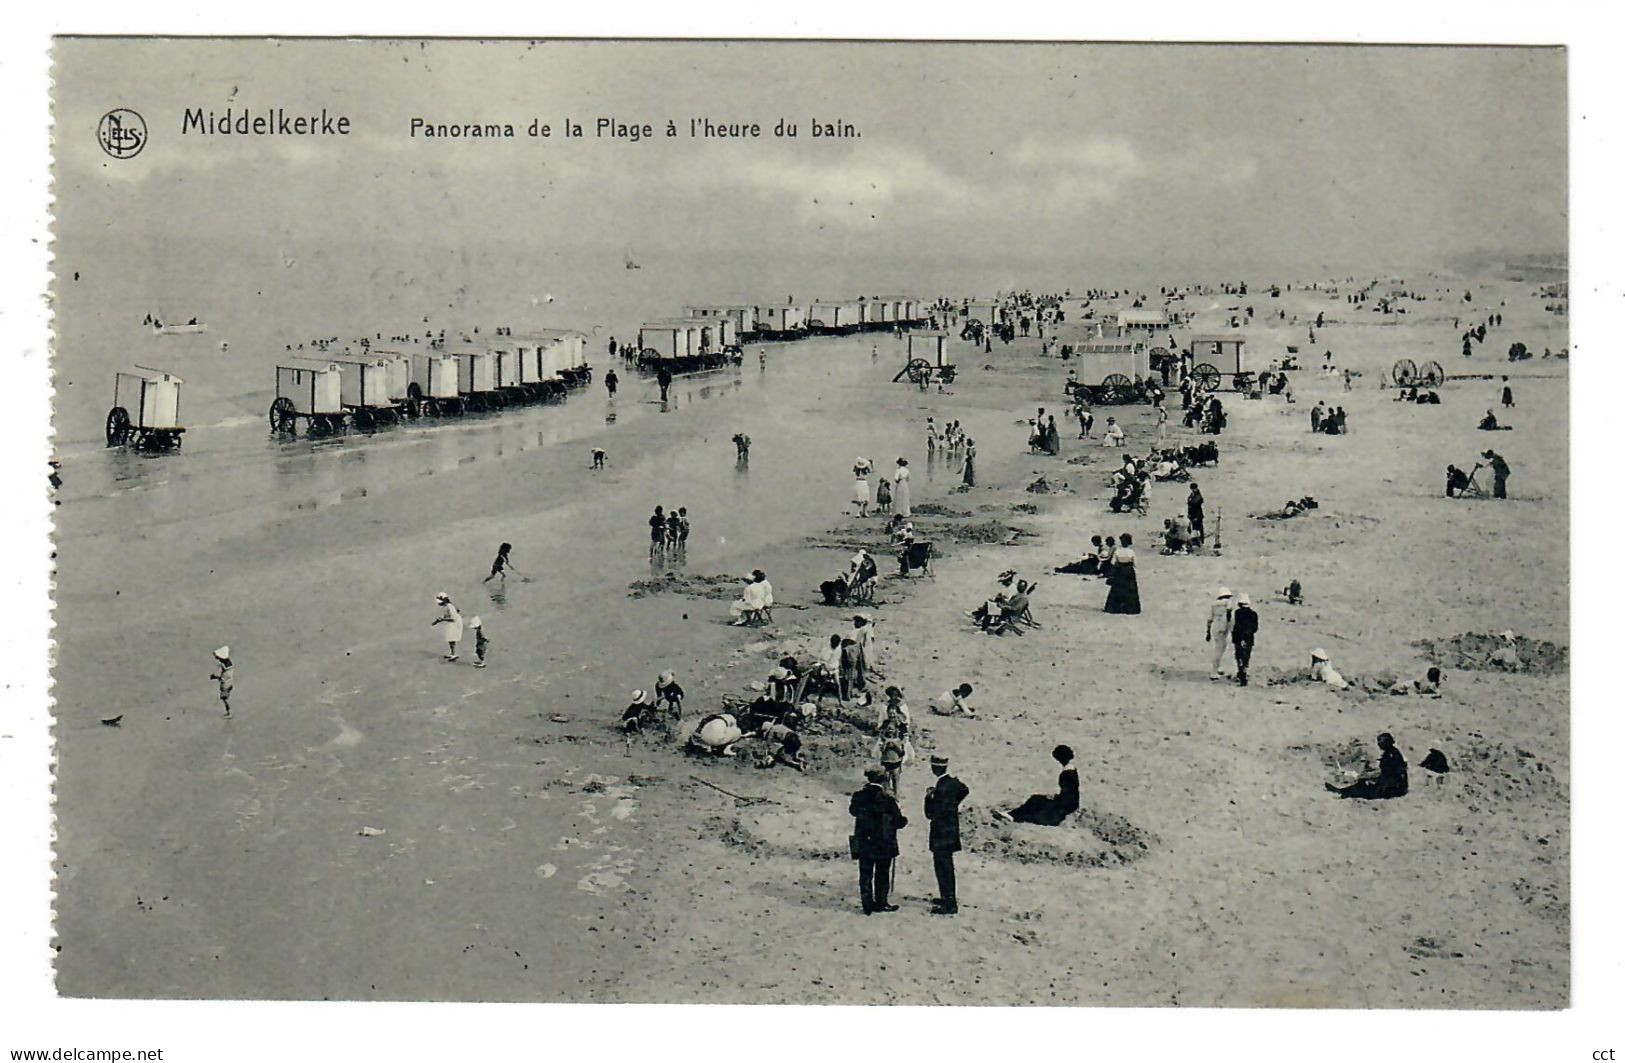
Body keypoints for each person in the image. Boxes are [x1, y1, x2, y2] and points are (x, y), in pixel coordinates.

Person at [849, 767, 908, 914]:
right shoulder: (888, 799)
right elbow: (899, 822)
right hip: (884, 841)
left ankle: (867, 905)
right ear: (884, 779)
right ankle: (881, 902)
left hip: (864, 839)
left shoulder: (859, 796)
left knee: (865, 872)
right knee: (882, 872)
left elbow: (853, 811)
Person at [924, 755, 970, 915]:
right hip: (950, 831)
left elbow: (929, 814)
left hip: (940, 833)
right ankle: (947, 897)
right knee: (947, 866)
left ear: (934, 768)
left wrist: (928, 797)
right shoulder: (952, 783)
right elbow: (965, 790)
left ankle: (949, 902)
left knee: (943, 868)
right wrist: (954, 803)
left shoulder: (939, 790)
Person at [995, 744, 1080, 825]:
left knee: (1036, 801)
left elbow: (1069, 792)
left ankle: (1013, 816)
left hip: (1067, 803)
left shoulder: (1068, 772)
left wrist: (1056, 797)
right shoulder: (1071, 769)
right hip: (1069, 801)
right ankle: (1014, 815)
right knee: (1037, 800)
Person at [1326, 732, 1408, 800]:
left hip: (1392, 788)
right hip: (1395, 785)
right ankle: (1343, 791)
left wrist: (1369, 777)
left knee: (1365, 787)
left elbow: (1386, 773)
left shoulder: (1391, 755)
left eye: (1381, 742)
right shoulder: (1393, 752)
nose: (1379, 744)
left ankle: (1343, 792)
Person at [1103, 532, 1140, 614]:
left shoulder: (1118, 551)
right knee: (1129, 590)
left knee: (1117, 589)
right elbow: (1135, 564)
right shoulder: (1131, 552)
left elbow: (1113, 562)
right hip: (1129, 571)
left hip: (1119, 571)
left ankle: (1116, 608)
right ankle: (1130, 608)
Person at [1230, 593, 1258, 686]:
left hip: (1238, 638)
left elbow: (1237, 626)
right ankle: (1244, 672)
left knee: (1239, 656)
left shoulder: (1238, 613)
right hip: (1249, 638)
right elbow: (1255, 628)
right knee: (1246, 656)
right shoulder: (1254, 614)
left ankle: (1241, 673)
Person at [1207, 587, 1234, 679]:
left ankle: (1217, 668)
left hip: (1215, 626)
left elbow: (1209, 619)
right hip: (1223, 626)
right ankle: (1214, 671)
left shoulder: (1214, 605)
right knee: (1220, 649)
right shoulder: (1227, 603)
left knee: (1218, 647)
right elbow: (1230, 612)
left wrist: (1208, 632)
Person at [431, 593, 463, 661]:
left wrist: (442, 619)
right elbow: (446, 615)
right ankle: (452, 653)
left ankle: (453, 654)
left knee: (452, 638)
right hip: (451, 623)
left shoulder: (450, 607)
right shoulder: (447, 606)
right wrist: (438, 620)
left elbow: (453, 618)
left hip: (455, 624)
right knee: (450, 638)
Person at [210, 646, 234, 717]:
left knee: (224, 699)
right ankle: (228, 711)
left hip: (225, 685)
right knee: (225, 698)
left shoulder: (224, 668)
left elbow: (223, 677)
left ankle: (229, 712)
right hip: (230, 683)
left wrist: (214, 677)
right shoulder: (230, 665)